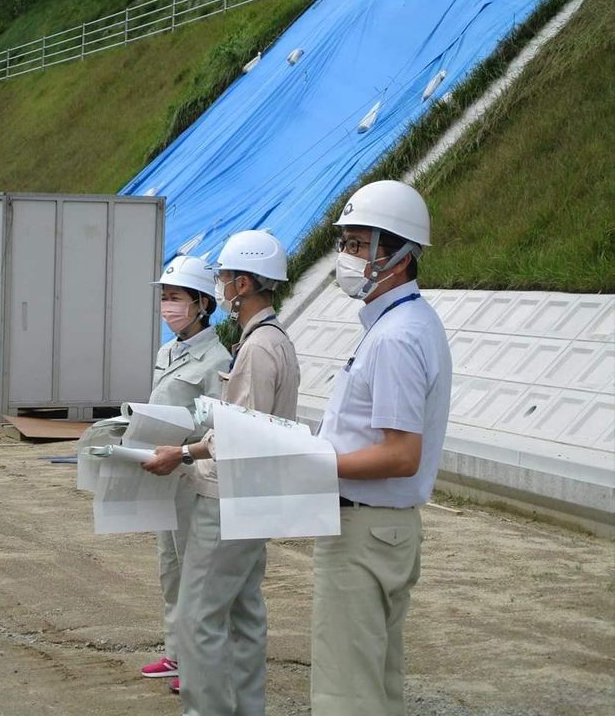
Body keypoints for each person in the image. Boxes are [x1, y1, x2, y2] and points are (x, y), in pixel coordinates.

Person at [143, 229, 300, 716]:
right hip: (255, 495)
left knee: (197, 618)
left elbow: (240, 434)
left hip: (225, 498)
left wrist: (182, 454)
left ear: (245, 283)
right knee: (244, 613)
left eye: (227, 277)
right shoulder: (276, 341)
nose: (222, 286)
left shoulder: (255, 350)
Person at [311, 180, 452, 716]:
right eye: (344, 242)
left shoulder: (395, 337)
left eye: (356, 243)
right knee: (375, 682)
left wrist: (312, 464)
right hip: (381, 528)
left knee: (347, 691)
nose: (345, 257)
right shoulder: (405, 324)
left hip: (364, 529)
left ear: (397, 253)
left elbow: (400, 454)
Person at [140, 255, 231, 691]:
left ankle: (199, 661)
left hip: (194, 472)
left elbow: (217, 422)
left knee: (197, 569)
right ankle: (175, 653)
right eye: (163, 298)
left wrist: (183, 449)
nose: (167, 306)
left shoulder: (217, 358)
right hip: (164, 470)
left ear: (201, 303)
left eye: (175, 298)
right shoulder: (167, 351)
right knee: (170, 566)